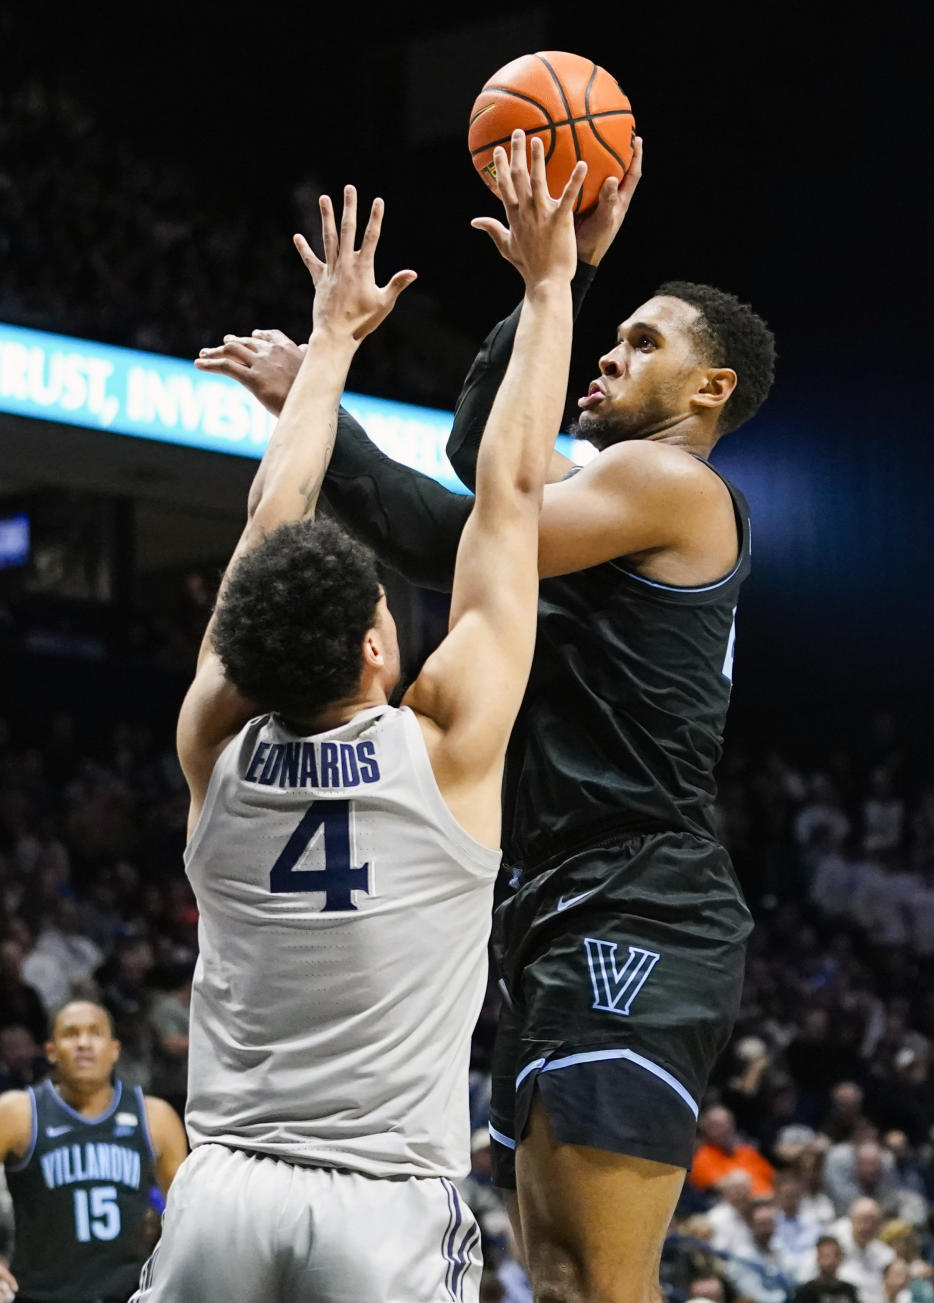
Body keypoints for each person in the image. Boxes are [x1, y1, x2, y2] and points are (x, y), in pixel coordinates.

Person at [197, 139, 777, 1302]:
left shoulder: (669, 484)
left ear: (711, 392)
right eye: (613, 336)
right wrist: (545, 301)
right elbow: (488, 496)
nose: (612, 354)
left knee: (602, 1281)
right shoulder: (607, 498)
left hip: (635, 895)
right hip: (556, 892)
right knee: (559, 1276)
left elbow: (472, 507)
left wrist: (541, 293)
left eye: (645, 341)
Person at [144, 135, 586, 1303]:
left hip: (226, 1186)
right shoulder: (446, 749)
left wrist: (329, 348)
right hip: (382, 1201)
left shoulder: (216, 748)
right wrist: (552, 286)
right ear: (380, 646)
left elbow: (269, 514)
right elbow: (511, 495)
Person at [0, 999, 186, 1303]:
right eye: (71, 1034)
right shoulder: (17, 1112)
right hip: (40, 1294)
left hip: (130, 1293)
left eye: (95, 1033)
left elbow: (188, 1214)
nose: (83, 1043)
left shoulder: (155, 1116)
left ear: (114, 1050)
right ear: (51, 1051)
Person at [793, 1236, 860, 1303]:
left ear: (841, 1258)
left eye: (836, 1255)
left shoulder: (850, 1290)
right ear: (818, 1258)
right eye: (826, 1256)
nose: (831, 1261)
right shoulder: (806, 1292)